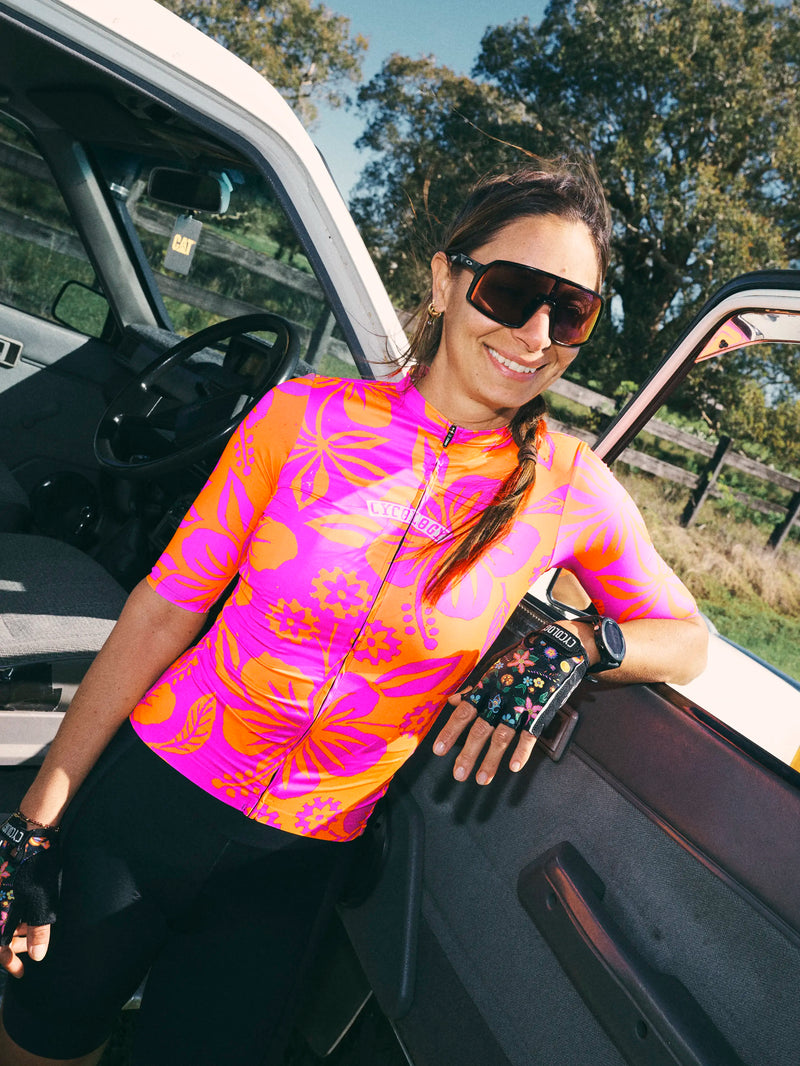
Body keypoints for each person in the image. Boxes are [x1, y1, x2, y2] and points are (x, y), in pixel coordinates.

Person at [0, 157, 707, 1065]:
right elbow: (163, 609)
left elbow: (689, 641)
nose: (535, 333)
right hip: (145, 804)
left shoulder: (572, 489)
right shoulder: (301, 417)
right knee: (38, 1048)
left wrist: (585, 638)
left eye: (568, 313)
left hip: (290, 871)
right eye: (512, 291)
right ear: (451, 281)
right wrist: (36, 818)